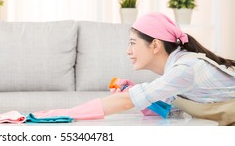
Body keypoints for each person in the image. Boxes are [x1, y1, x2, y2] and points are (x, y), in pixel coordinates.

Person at [34, 12, 235, 125]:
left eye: (132, 43)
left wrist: (67, 113)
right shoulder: (176, 71)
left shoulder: (184, 69)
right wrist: (132, 91)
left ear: (155, 45)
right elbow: (167, 112)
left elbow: (125, 103)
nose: (128, 51)